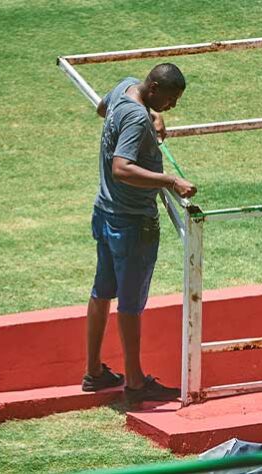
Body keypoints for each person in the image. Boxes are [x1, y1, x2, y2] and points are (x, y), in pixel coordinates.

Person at [82, 63, 197, 404]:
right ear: (156, 88)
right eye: (171, 100)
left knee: (102, 291)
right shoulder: (135, 117)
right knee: (130, 305)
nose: (172, 107)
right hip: (131, 223)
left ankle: (94, 372)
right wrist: (170, 180)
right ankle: (134, 382)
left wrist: (151, 117)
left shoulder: (126, 87)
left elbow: (103, 109)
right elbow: (122, 168)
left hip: (105, 213)